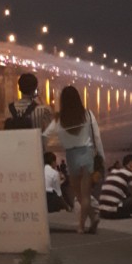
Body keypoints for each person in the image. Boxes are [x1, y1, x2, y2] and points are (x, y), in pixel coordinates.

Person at [42, 85, 104, 234]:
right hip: (87, 153)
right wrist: (102, 156)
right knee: (86, 194)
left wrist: (41, 149)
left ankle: (85, 223)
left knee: (78, 194)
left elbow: (45, 135)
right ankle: (88, 221)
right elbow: (96, 136)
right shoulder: (87, 114)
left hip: (71, 156)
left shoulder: (59, 118)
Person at [99, 154, 132, 220]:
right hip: (113, 212)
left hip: (102, 212)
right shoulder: (130, 174)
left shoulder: (113, 171)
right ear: (131, 164)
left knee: (129, 194)